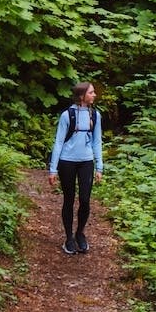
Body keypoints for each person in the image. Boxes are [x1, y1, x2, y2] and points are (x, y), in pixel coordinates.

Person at [46, 81, 104, 254]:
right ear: (81, 96)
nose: (94, 95)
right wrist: (53, 169)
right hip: (67, 161)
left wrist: (99, 166)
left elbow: (97, 141)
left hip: (86, 161)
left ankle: (80, 233)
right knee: (69, 199)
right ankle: (69, 238)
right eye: (91, 92)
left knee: (85, 199)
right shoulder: (67, 115)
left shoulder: (95, 115)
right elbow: (58, 142)